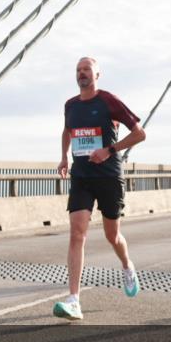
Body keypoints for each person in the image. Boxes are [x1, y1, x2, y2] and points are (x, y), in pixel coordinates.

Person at [54, 57, 147, 320]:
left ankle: (127, 266)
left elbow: (140, 133)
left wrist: (109, 150)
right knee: (77, 233)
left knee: (112, 235)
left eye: (87, 70)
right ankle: (74, 300)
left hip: (108, 176)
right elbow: (67, 131)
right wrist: (63, 156)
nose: (82, 73)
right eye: (78, 70)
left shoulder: (108, 101)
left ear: (97, 74)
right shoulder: (70, 105)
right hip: (82, 176)